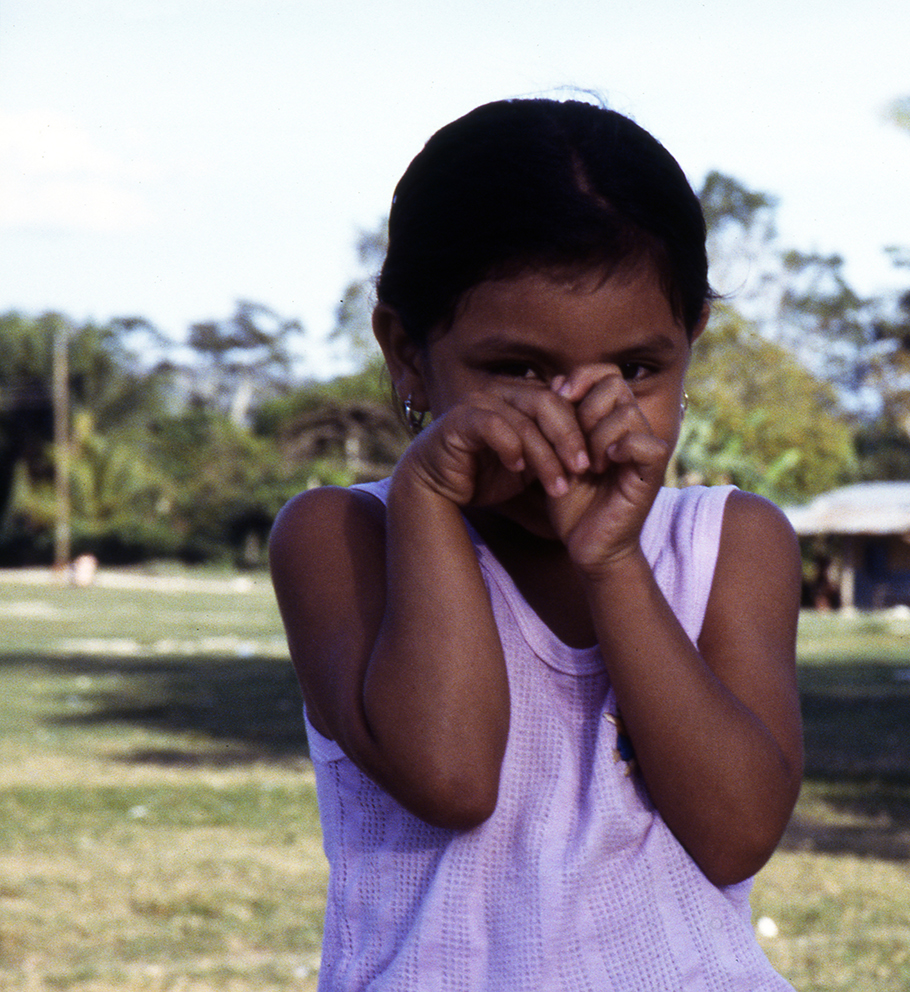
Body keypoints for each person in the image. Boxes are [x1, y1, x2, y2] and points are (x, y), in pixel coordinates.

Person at [269, 98, 803, 991]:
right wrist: (431, 499)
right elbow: (453, 778)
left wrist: (614, 561)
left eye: (637, 370)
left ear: (691, 344)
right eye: (515, 371)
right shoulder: (343, 538)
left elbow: (738, 833)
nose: (576, 419)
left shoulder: (730, 545)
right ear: (405, 350)